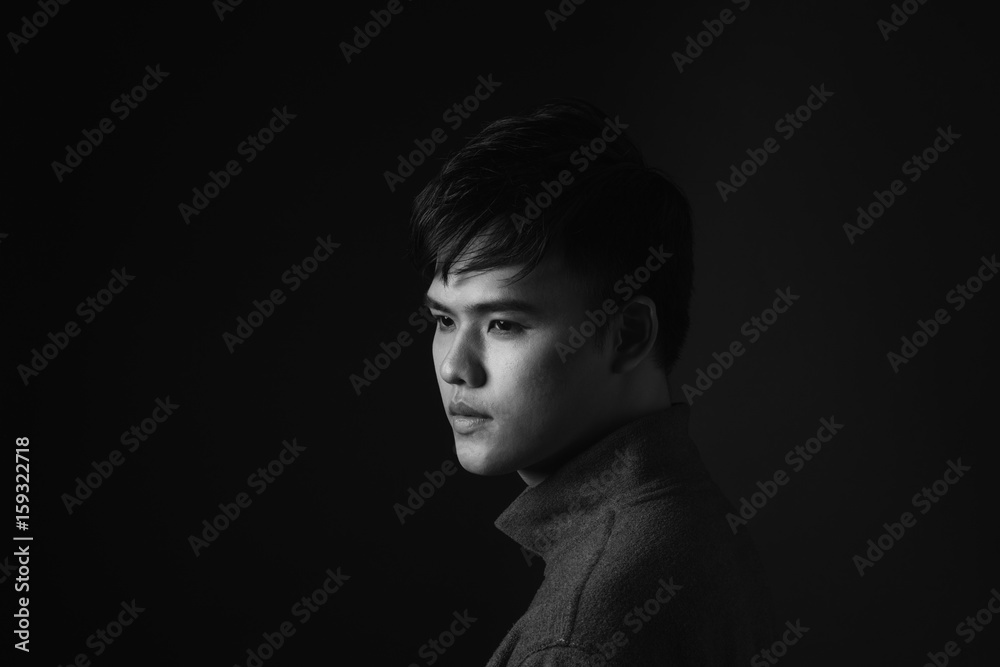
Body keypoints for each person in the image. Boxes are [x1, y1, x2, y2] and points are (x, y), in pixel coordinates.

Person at [409, 98, 775, 666]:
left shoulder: (581, 637)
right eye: (444, 321)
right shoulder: (694, 523)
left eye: (503, 323)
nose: (456, 366)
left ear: (628, 335)